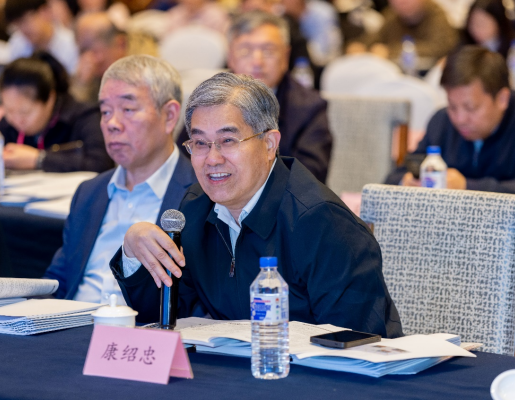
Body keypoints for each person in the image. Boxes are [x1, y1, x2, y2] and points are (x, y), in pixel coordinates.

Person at [113, 72, 403, 338]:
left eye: (228, 140)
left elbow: (355, 343)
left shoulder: (323, 222)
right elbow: (165, 318)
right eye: (200, 143)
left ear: (269, 144)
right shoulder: (195, 207)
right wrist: (132, 252)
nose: (212, 159)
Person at [44, 55, 197, 321]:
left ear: (169, 116)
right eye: (105, 111)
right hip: (71, 329)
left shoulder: (200, 194)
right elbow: (58, 282)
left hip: (143, 334)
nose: (112, 124)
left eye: (128, 109)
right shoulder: (90, 193)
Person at [177, 11, 332, 183]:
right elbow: (182, 163)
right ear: (231, 56)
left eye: (268, 51)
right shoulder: (207, 99)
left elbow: (309, 176)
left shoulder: (310, 106)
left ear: (286, 56)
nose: (257, 62)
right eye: (246, 51)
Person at [385, 46, 515, 195]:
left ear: (502, 98)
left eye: (470, 108)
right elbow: (393, 179)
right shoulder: (441, 122)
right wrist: (406, 182)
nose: (460, 119)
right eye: (452, 106)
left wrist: (467, 187)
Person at [0, 52, 114, 173]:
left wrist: (38, 159)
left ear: (50, 99)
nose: (16, 119)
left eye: (25, 112)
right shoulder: (8, 123)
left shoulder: (84, 117)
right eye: (9, 110)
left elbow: (101, 163)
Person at [348, 0, 458, 72]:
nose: (402, 2)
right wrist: (359, 45)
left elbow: (439, 47)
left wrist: (389, 51)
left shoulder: (436, 15)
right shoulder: (392, 16)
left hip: (427, 77)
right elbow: (373, 38)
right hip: (395, 77)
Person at [460, 0, 515, 96]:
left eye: (482, 24)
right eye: (472, 23)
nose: (476, 29)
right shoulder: (466, 45)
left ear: (498, 21)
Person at [4, 0, 79, 74]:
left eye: (25, 20)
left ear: (45, 11)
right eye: (17, 25)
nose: (22, 29)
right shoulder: (17, 42)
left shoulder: (72, 44)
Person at [71, 12, 129, 103]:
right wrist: (82, 85)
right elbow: (73, 108)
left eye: (94, 51)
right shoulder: (88, 78)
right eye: (82, 51)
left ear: (120, 45)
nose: (87, 58)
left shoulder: (143, 73)